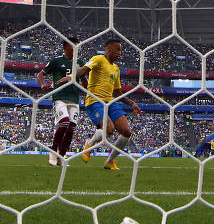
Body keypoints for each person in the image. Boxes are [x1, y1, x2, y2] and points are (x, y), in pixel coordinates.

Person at [72, 39, 141, 170]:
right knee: (109, 129)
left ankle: (110, 161)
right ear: (109, 49)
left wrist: (132, 103)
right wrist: (74, 74)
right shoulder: (98, 59)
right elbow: (84, 70)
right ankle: (90, 143)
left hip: (110, 101)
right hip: (95, 100)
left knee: (126, 131)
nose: (120, 53)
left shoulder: (116, 68)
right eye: (118, 50)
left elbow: (117, 92)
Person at [36, 37, 88, 166]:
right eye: (73, 45)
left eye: (77, 45)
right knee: (64, 123)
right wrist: (43, 85)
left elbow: (84, 81)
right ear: (66, 47)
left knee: (71, 128)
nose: (76, 48)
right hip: (59, 97)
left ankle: (62, 157)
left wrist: (88, 90)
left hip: (74, 99)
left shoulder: (80, 63)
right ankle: (53, 152)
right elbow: (40, 74)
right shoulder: (57, 61)